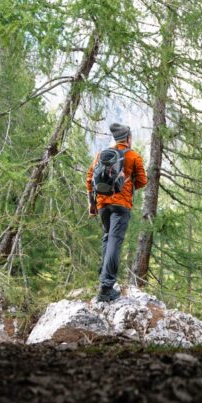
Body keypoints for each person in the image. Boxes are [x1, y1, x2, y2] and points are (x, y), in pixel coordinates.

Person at [86, 122, 147, 302]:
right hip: (122, 205)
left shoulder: (101, 155)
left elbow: (90, 179)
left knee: (107, 237)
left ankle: (103, 276)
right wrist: (128, 184)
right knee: (114, 240)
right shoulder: (134, 155)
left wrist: (92, 204)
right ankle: (106, 287)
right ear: (128, 138)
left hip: (102, 203)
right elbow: (143, 181)